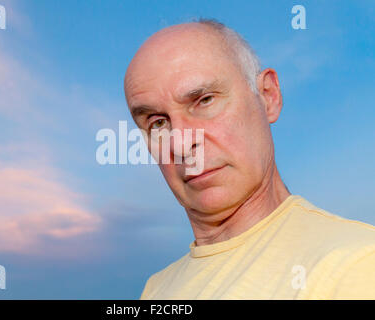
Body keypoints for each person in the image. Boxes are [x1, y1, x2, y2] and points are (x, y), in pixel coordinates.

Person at [123, 19, 375, 299]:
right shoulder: (156, 290)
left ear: (268, 96)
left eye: (205, 100)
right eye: (157, 123)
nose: (181, 143)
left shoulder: (355, 263)